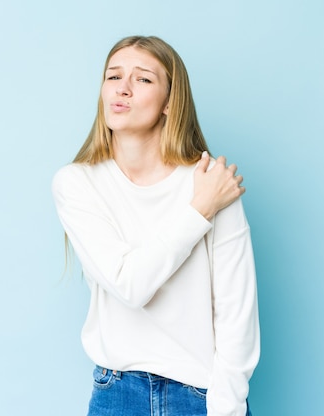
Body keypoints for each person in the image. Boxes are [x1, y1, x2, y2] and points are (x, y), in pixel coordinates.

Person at [52, 35, 260, 416]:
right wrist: (199, 210)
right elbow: (131, 285)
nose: (123, 88)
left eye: (143, 79)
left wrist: (226, 408)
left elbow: (237, 313)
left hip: (202, 395)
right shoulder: (77, 183)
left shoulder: (211, 180)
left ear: (170, 102)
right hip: (119, 393)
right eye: (114, 76)